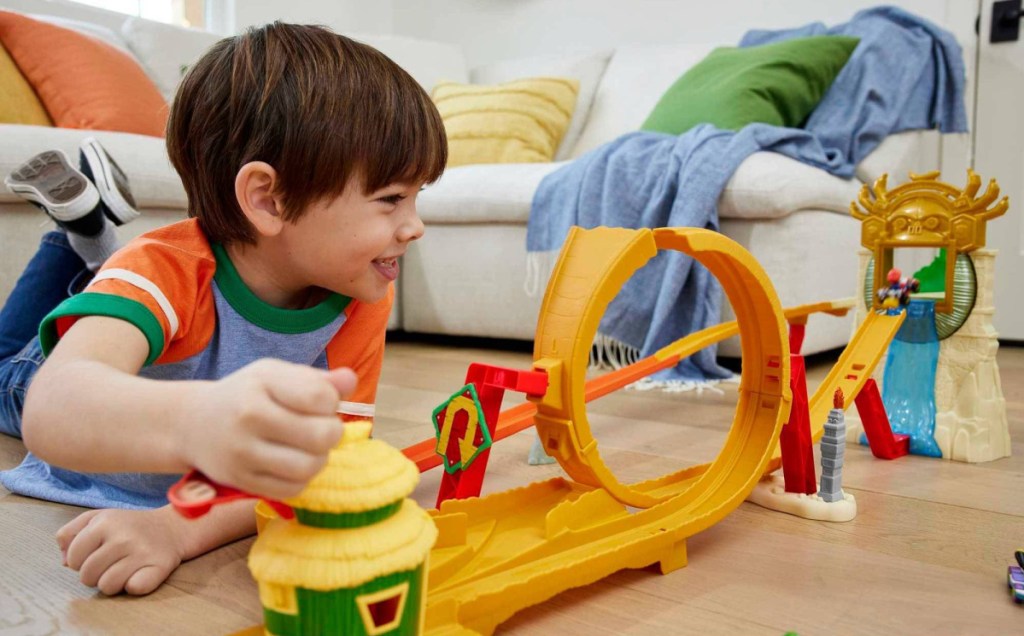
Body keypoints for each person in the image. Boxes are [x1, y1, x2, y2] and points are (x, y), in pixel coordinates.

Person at [0, 22, 446, 596]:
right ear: (268, 199)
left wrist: (173, 528)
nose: (415, 227)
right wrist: (192, 421)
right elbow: (53, 409)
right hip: (31, 376)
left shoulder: (361, 295)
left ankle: (88, 244)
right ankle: (80, 240)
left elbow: (315, 469)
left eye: (417, 197)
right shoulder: (166, 269)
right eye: (390, 200)